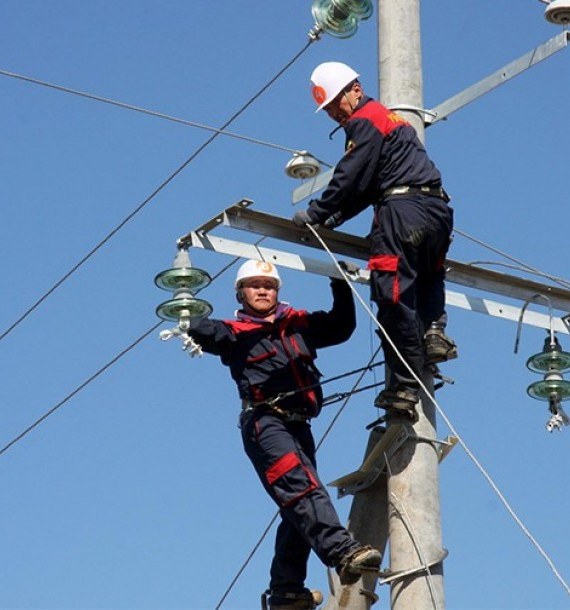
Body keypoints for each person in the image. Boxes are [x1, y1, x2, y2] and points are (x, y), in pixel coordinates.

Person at [187, 259, 381, 610]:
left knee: (298, 505)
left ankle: (287, 591)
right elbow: (202, 331)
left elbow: (341, 326)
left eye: (270, 285)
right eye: (255, 285)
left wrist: (338, 280)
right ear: (241, 292)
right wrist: (186, 299)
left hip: (299, 425)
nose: (263, 290)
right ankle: (341, 551)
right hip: (265, 423)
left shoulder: (298, 324)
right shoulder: (234, 332)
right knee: (301, 487)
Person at [293, 61, 458, 416]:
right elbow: (367, 185)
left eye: (337, 103)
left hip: (401, 213)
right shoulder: (391, 122)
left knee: (391, 296)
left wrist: (318, 213)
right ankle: (434, 333)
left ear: (355, 88)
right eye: (329, 109)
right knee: (427, 276)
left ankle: (404, 385)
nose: (335, 113)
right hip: (437, 212)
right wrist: (335, 217)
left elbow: (351, 177)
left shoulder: (364, 121)